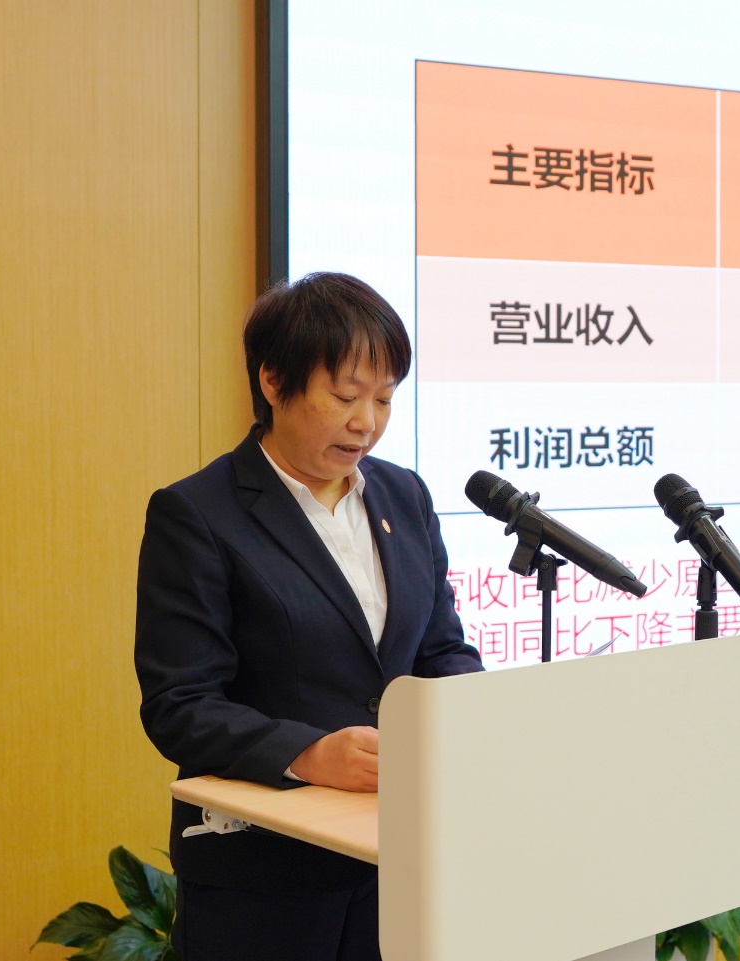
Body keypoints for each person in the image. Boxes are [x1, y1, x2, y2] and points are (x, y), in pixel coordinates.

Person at [134, 272, 483, 961]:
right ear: (272, 380)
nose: (367, 422)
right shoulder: (197, 513)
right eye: (346, 396)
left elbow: (440, 649)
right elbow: (180, 704)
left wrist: (475, 713)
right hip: (266, 878)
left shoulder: (404, 495)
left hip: (398, 858)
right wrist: (308, 753)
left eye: (385, 398)